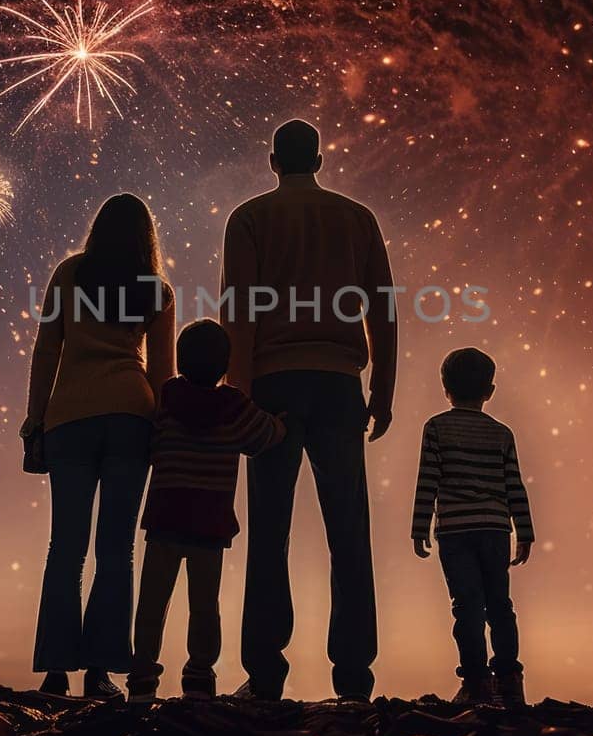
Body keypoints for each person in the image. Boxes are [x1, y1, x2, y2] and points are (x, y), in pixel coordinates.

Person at [221, 118, 397, 701]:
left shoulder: (248, 218)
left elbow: (238, 311)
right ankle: (353, 676)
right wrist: (384, 390)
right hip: (341, 384)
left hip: (272, 386)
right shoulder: (357, 218)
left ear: (273, 161)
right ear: (319, 161)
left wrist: (238, 395)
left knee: (268, 531)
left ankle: (265, 672)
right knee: (349, 530)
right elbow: (383, 311)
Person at [24, 193, 176, 699]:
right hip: (131, 417)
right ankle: (101, 672)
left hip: (69, 418)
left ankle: (55, 671)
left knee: (64, 548)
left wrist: (35, 420)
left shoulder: (69, 275)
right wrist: (163, 433)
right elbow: (161, 374)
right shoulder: (157, 291)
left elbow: (48, 348)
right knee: (117, 550)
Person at [126, 319, 299, 704]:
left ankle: (141, 677)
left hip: (166, 518)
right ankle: (199, 676)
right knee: (205, 608)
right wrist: (282, 427)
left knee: (152, 604)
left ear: (181, 361)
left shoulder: (168, 397)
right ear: (225, 365)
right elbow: (262, 437)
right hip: (210, 522)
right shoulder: (233, 405)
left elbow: (151, 444)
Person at [411, 347, 534, 705]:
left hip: (455, 531)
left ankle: (477, 682)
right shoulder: (501, 433)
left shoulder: (436, 428)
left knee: (467, 606)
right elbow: (515, 485)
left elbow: (428, 479)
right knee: (500, 604)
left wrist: (420, 525)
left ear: (445, 388)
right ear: (489, 391)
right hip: (496, 530)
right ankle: (509, 679)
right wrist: (524, 531)